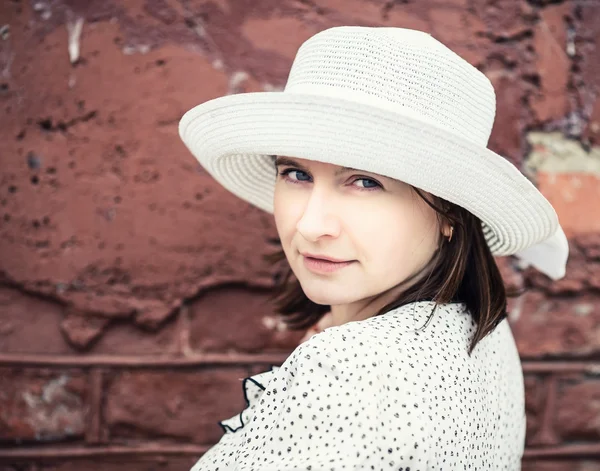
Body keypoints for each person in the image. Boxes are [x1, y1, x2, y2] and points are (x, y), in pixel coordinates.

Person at [178, 26, 569, 471]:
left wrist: (332, 360)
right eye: (295, 173)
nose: (310, 225)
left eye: (365, 181)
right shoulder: (476, 321)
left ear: (449, 214)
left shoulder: (351, 372)